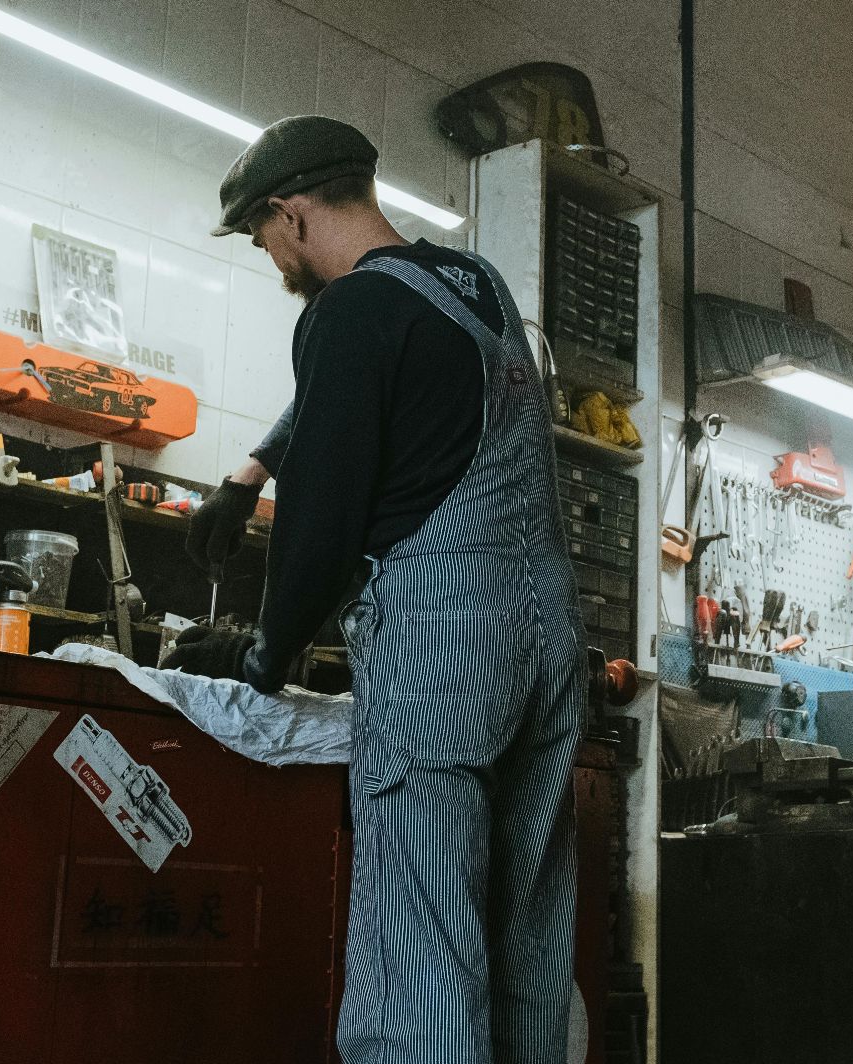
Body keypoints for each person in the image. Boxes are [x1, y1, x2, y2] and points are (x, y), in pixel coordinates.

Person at [164, 115, 585, 1064]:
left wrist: (265, 651)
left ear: (291, 213)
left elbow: (322, 524)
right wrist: (249, 471)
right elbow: (388, 379)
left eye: (264, 237)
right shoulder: (470, 285)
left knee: (422, 947)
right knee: (525, 941)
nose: (272, 256)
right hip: (550, 636)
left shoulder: (342, 313)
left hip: (446, 646)